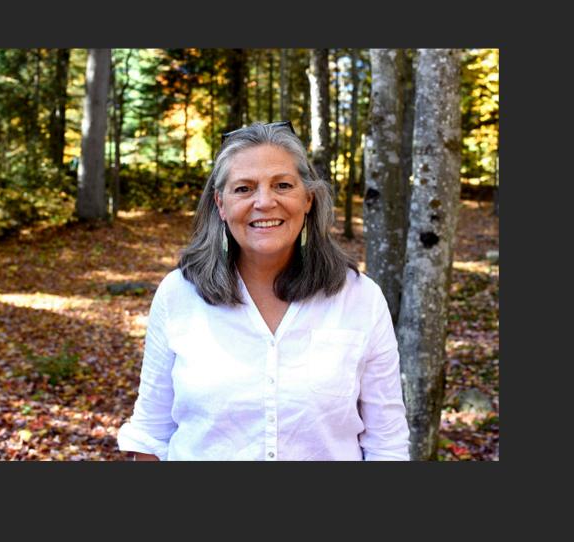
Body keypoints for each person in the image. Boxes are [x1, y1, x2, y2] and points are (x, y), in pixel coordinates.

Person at [116, 121, 410, 461]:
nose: (264, 201)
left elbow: (387, 445)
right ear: (221, 205)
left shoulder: (360, 298)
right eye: (244, 189)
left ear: (308, 199)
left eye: (282, 185)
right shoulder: (178, 295)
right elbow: (151, 436)